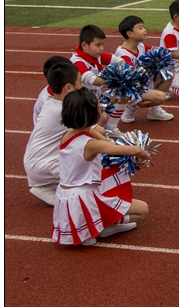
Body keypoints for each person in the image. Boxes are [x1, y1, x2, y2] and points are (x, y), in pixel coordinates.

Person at [52, 89, 149, 246]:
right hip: (83, 197)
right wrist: (142, 152)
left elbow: (96, 134)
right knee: (142, 210)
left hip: (67, 194)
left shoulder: (68, 134)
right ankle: (100, 226)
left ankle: (94, 227)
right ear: (90, 115)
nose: (101, 111)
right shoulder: (90, 145)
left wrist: (105, 138)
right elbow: (131, 150)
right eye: (99, 108)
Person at [24, 61, 82, 206]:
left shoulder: (53, 102)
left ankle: (49, 186)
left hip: (39, 163)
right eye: (80, 82)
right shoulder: (64, 111)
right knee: (94, 163)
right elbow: (96, 130)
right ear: (68, 87)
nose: (82, 87)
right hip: (44, 165)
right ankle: (56, 189)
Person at [112, 15, 172, 123]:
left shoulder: (141, 46)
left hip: (142, 84)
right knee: (160, 97)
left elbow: (158, 52)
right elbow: (131, 75)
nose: (145, 30)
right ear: (129, 34)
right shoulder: (123, 54)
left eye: (144, 27)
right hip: (130, 89)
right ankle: (130, 108)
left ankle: (154, 111)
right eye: (140, 28)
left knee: (167, 75)